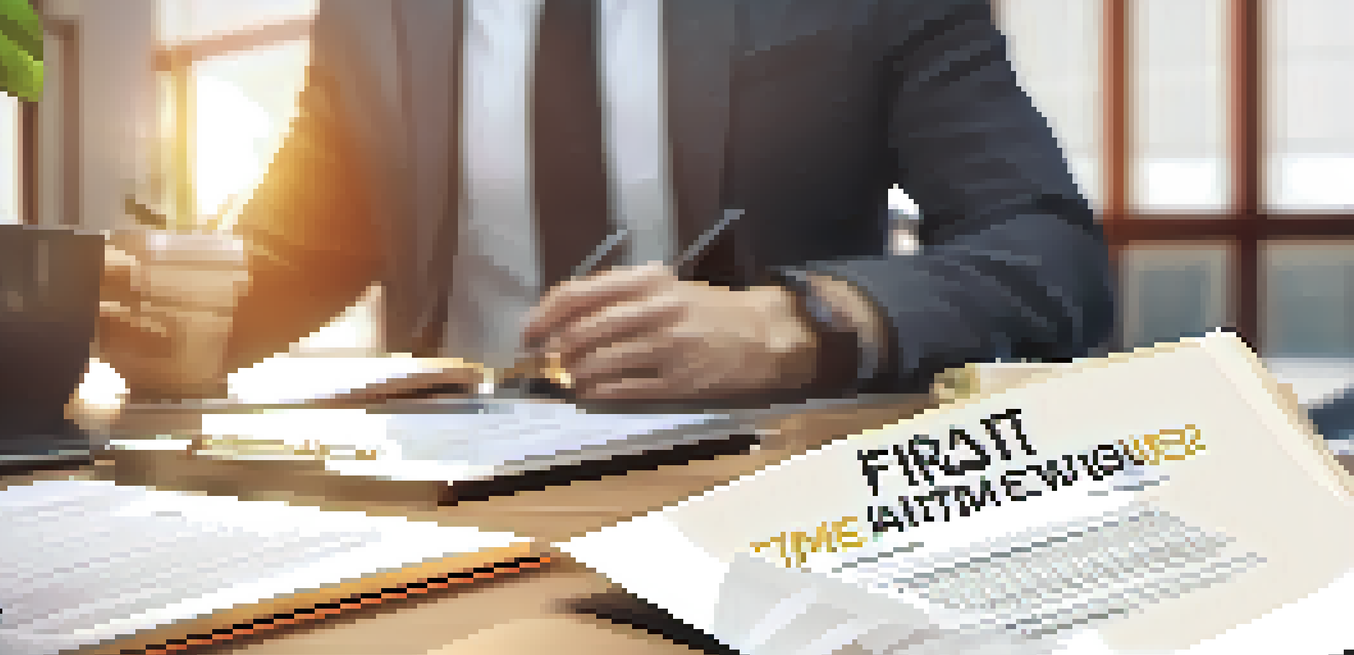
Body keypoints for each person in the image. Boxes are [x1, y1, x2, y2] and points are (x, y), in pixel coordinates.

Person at [99, 0, 1114, 406]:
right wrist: (176, 321)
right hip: (431, 519)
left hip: (754, 502)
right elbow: (304, 250)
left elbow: (1049, 257)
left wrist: (796, 324)